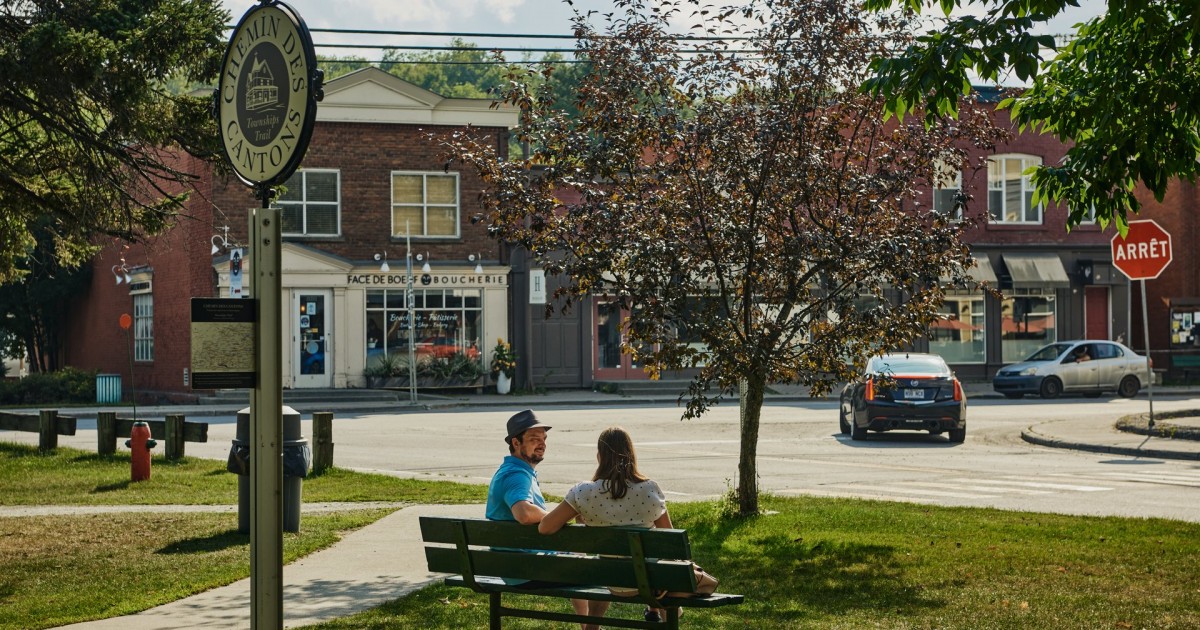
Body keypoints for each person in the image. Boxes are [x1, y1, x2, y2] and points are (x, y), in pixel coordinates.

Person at [539, 426, 673, 627]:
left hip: (607, 577)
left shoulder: (583, 493)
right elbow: (669, 541)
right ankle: (660, 612)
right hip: (647, 581)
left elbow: (545, 527)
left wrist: (582, 516)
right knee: (663, 567)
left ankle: (593, 625)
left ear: (599, 456)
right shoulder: (649, 490)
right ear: (631, 454)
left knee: (606, 564)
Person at [485, 410, 591, 622]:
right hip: (526, 570)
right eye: (534, 439)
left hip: (515, 566)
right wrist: (556, 517)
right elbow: (524, 513)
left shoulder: (515, 471)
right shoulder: (516, 475)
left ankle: (588, 626)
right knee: (605, 571)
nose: (542, 444)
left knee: (579, 556)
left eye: (544, 439)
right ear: (516, 443)